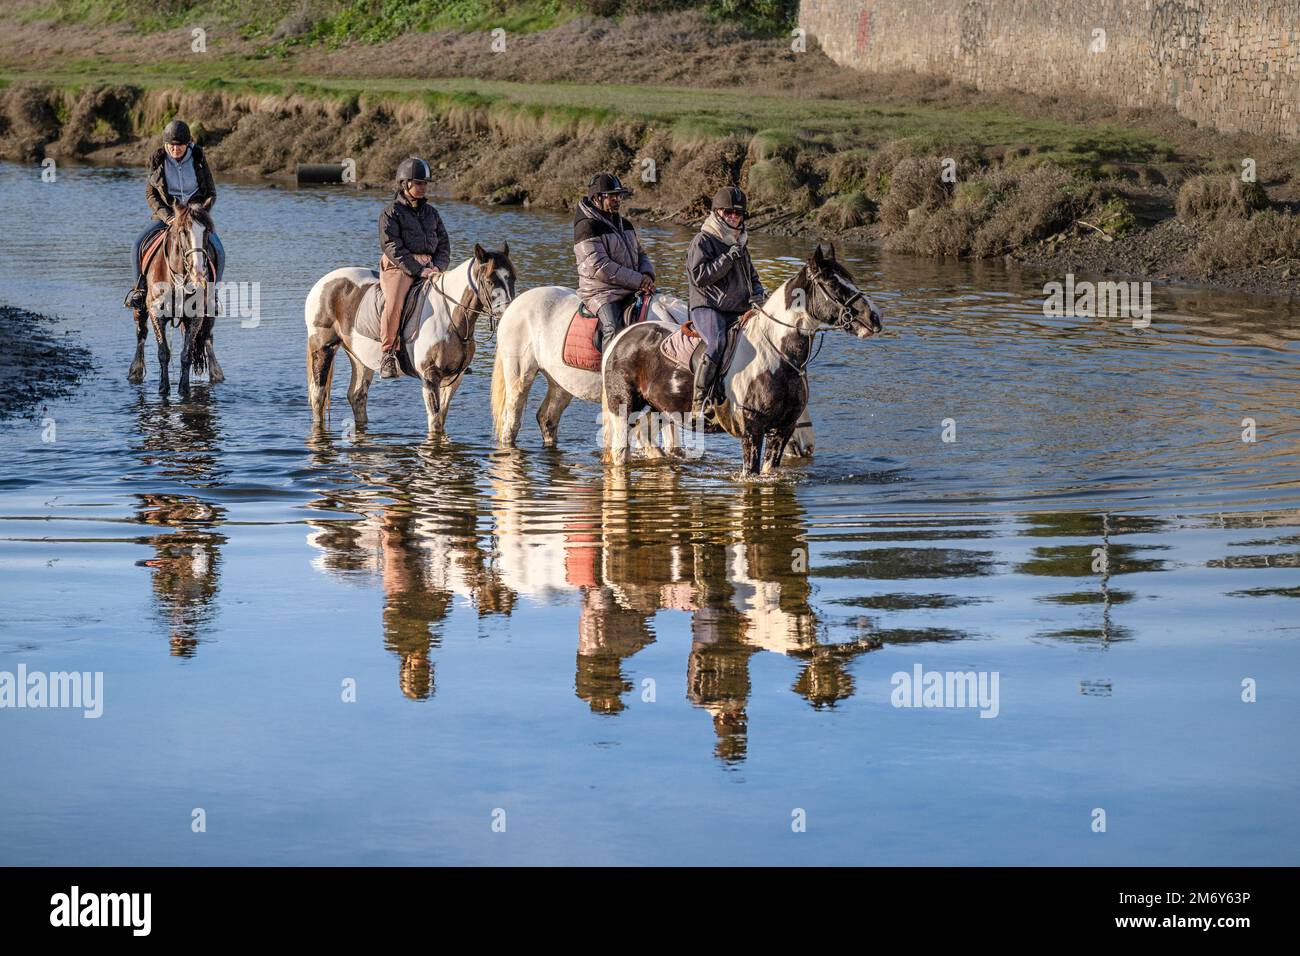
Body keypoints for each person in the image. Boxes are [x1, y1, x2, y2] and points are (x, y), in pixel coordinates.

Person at [124, 119, 224, 309]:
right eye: (171, 146)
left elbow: (211, 192)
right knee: (137, 245)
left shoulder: (198, 159)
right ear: (165, 144)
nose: (175, 150)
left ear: (188, 144)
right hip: (168, 215)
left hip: (193, 216)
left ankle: (212, 293)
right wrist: (168, 217)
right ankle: (139, 290)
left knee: (219, 250)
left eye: (180, 146)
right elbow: (150, 194)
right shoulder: (157, 160)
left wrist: (199, 214)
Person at [686, 186, 765, 417]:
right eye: (728, 212)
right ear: (716, 212)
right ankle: (699, 400)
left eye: (738, 213)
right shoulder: (702, 241)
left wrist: (758, 296)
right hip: (708, 307)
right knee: (718, 342)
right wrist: (727, 257)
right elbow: (700, 277)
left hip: (738, 308)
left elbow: (753, 277)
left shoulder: (740, 243)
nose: (733, 217)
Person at [377, 156, 451, 379]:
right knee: (395, 302)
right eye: (418, 183)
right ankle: (388, 354)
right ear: (405, 183)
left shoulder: (432, 213)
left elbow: (444, 243)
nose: (422, 187)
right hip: (399, 267)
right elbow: (392, 246)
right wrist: (418, 270)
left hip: (430, 266)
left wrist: (437, 266)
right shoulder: (391, 213)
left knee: (451, 297)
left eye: (424, 183)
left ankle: (452, 352)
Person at [573, 172, 655, 352]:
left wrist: (647, 275)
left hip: (630, 286)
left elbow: (640, 253)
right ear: (597, 198)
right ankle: (608, 374)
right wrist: (638, 280)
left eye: (619, 196)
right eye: (612, 196)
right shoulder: (586, 227)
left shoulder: (625, 224)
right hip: (600, 291)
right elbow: (600, 267)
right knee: (613, 327)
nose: (618, 199)